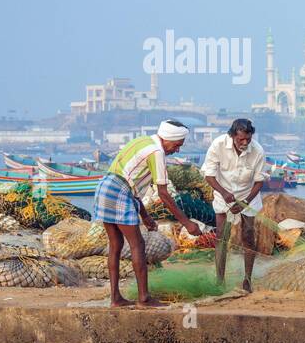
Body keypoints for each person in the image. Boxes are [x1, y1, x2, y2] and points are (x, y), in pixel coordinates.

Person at [94, 120, 204, 307]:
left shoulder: (143, 141)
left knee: (116, 244)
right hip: (120, 192)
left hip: (105, 187)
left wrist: (145, 216)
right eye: (177, 145)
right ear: (168, 139)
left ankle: (115, 298)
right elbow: (163, 193)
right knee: (138, 245)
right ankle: (144, 298)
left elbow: (132, 184)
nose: (177, 150)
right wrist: (187, 223)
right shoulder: (157, 152)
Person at [202, 118, 267, 291]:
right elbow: (209, 176)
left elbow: (259, 182)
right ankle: (220, 280)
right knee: (221, 238)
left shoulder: (258, 151)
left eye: (248, 139)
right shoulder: (218, 145)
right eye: (241, 140)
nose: (245, 143)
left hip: (248, 197)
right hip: (223, 195)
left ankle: (247, 280)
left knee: (248, 236)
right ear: (232, 136)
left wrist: (245, 203)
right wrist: (224, 193)